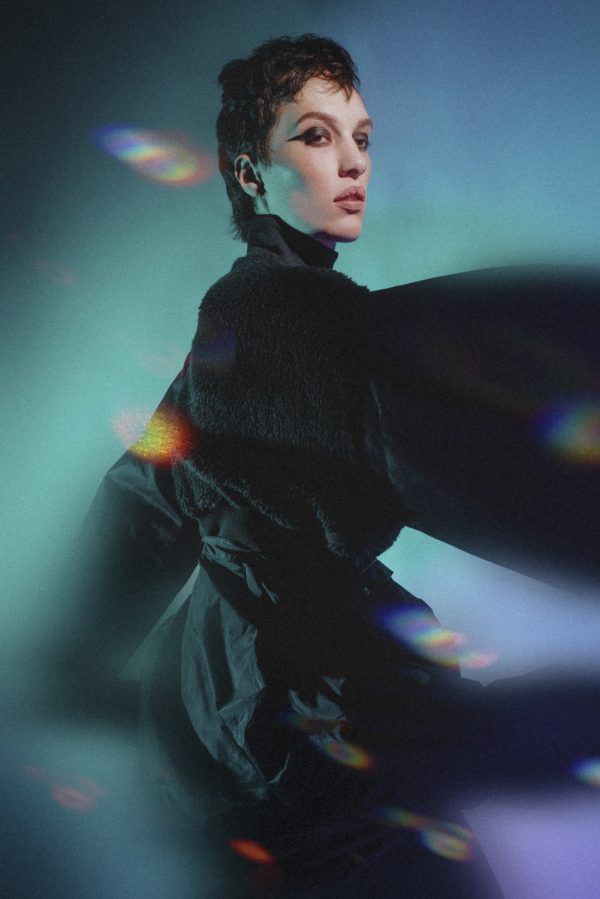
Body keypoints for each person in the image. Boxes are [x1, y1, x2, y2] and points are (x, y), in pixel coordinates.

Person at [55, 34, 600, 898]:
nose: (353, 164)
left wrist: (77, 661)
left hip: (245, 766)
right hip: (311, 786)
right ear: (250, 173)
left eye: (362, 137)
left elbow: (144, 497)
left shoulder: (233, 345)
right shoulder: (289, 337)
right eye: (316, 136)